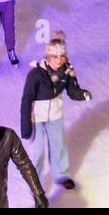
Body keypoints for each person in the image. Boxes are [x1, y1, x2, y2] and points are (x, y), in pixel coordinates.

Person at [20, 31, 92, 192]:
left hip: (55, 115)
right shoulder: (36, 75)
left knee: (59, 145)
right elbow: (26, 100)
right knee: (37, 152)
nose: (58, 60)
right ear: (47, 57)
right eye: (54, 57)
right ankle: (35, 182)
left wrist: (83, 94)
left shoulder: (67, 71)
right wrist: (25, 125)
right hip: (36, 117)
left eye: (61, 57)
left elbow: (73, 91)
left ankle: (61, 175)